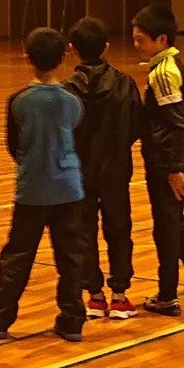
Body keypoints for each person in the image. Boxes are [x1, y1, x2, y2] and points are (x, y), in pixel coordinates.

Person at [0, 28, 86, 342]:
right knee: (71, 257)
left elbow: (13, 146)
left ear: (27, 58)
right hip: (68, 188)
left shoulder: (19, 102)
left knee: (18, 255)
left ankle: (1, 319)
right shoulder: (73, 102)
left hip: (31, 188)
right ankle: (72, 320)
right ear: (64, 57)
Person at [64, 17, 141, 319]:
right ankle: (119, 295)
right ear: (106, 47)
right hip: (116, 169)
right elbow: (136, 125)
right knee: (120, 229)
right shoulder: (124, 83)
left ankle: (95, 296)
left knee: (83, 232)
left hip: (79, 171)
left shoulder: (68, 89)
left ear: (72, 49)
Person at [132, 5, 184, 316]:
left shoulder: (164, 73)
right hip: (168, 161)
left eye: (141, 39)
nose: (136, 45)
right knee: (174, 225)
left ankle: (167, 296)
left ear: (161, 39)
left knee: (167, 228)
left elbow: (175, 124)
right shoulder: (165, 66)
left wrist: (173, 168)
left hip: (166, 164)